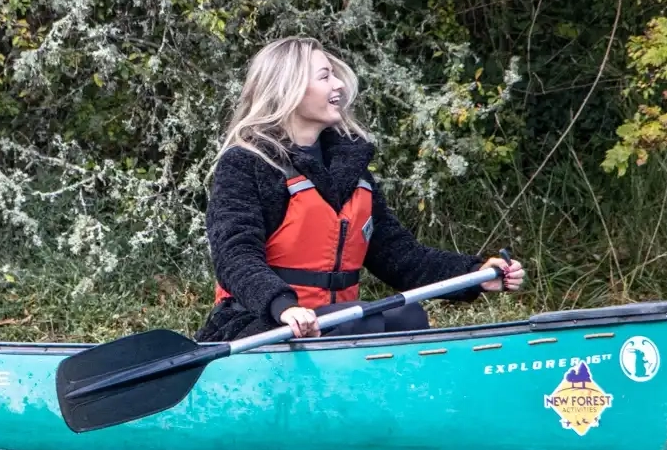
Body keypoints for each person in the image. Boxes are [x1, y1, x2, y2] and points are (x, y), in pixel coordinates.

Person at [198, 37, 523, 342]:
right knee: (355, 323)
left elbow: (400, 256)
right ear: (290, 90)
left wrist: (476, 273)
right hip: (261, 325)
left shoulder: (350, 169)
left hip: (334, 322)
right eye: (325, 76)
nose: (339, 85)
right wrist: (284, 307)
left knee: (405, 316)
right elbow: (234, 255)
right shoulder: (246, 163)